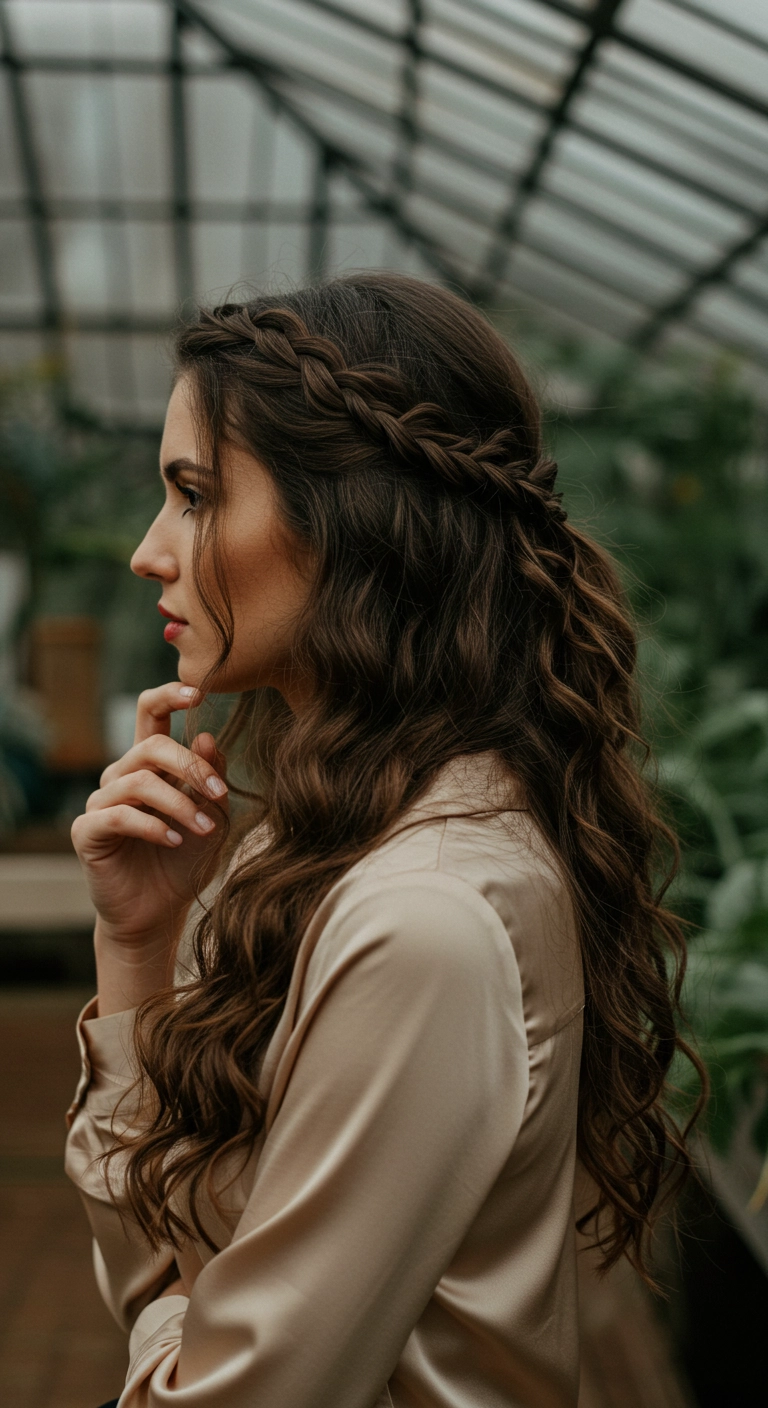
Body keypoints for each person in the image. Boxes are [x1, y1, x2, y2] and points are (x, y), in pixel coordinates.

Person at [66, 272, 702, 1408]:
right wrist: (138, 947)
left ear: (352, 523)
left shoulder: (425, 918)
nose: (150, 551)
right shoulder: (329, 838)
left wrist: (174, 1321)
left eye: (196, 495)